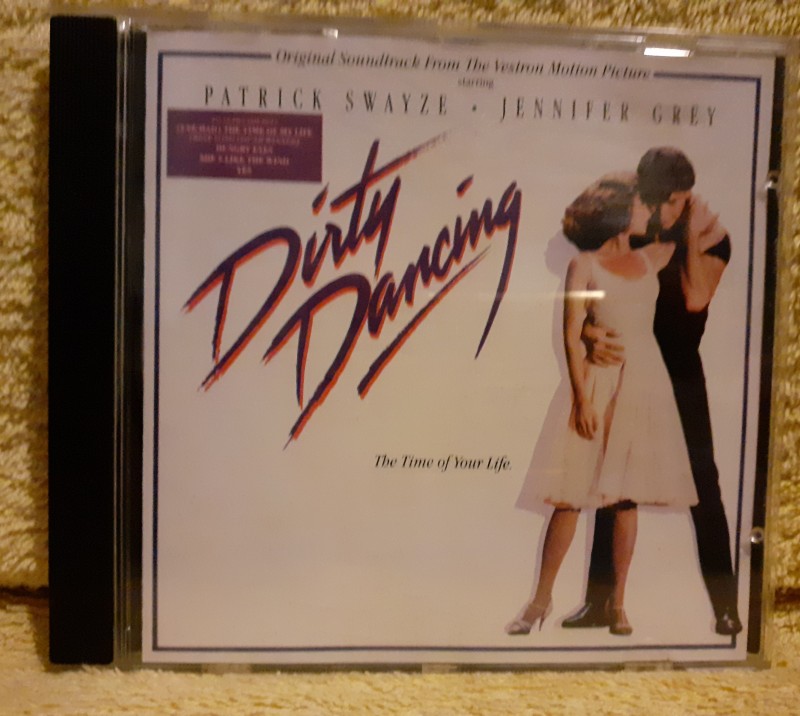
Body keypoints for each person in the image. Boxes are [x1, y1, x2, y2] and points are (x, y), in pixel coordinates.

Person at [562, 147, 743, 636]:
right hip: (625, 362)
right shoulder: (634, 224)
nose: (660, 210)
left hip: (679, 369)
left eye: (671, 201)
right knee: (611, 476)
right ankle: (599, 603)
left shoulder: (713, 238)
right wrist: (587, 332)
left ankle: (726, 607)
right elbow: (590, 288)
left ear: (686, 197)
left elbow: (694, 301)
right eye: (652, 198)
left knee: (704, 483)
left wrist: (690, 238)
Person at [507, 174, 698, 637]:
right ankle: (540, 599)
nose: (649, 212)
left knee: (626, 498)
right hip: (596, 384)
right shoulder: (585, 264)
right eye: (640, 205)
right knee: (570, 497)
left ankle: (618, 603)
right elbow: (570, 333)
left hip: (642, 385)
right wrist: (580, 397)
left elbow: (690, 218)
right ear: (618, 211)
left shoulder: (653, 256)